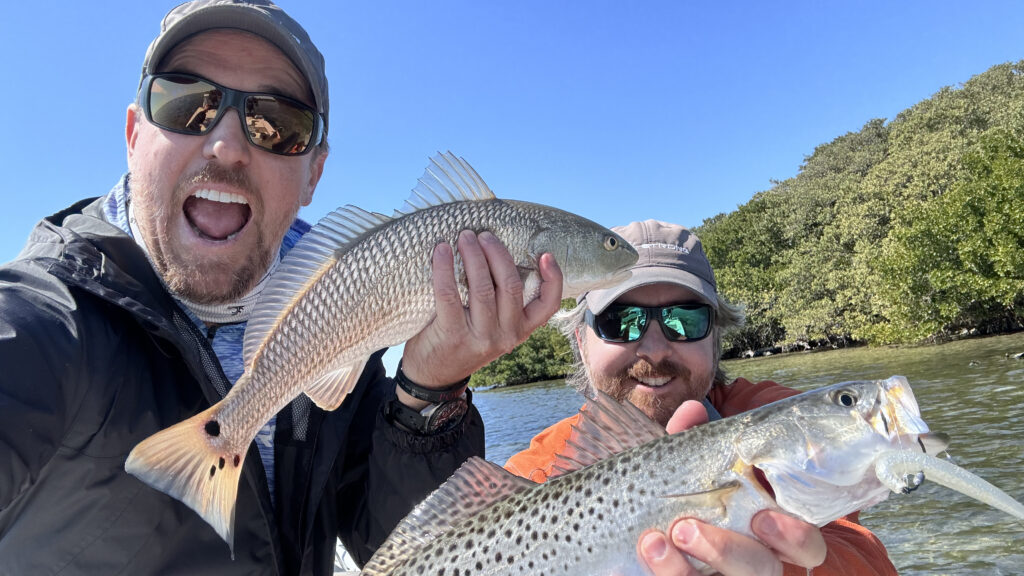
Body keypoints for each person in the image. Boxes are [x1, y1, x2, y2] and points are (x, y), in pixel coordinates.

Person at [0, 1, 563, 574]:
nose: (226, 145)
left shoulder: (344, 305)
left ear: (314, 174)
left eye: (278, 124)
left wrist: (431, 389)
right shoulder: (47, 315)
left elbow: (411, 555)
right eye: (187, 103)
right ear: (132, 134)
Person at [505, 220, 898, 576]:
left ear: (715, 337)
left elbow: (854, 545)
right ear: (581, 340)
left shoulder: (770, 415)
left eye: (685, 319)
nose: (655, 349)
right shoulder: (534, 472)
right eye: (621, 322)